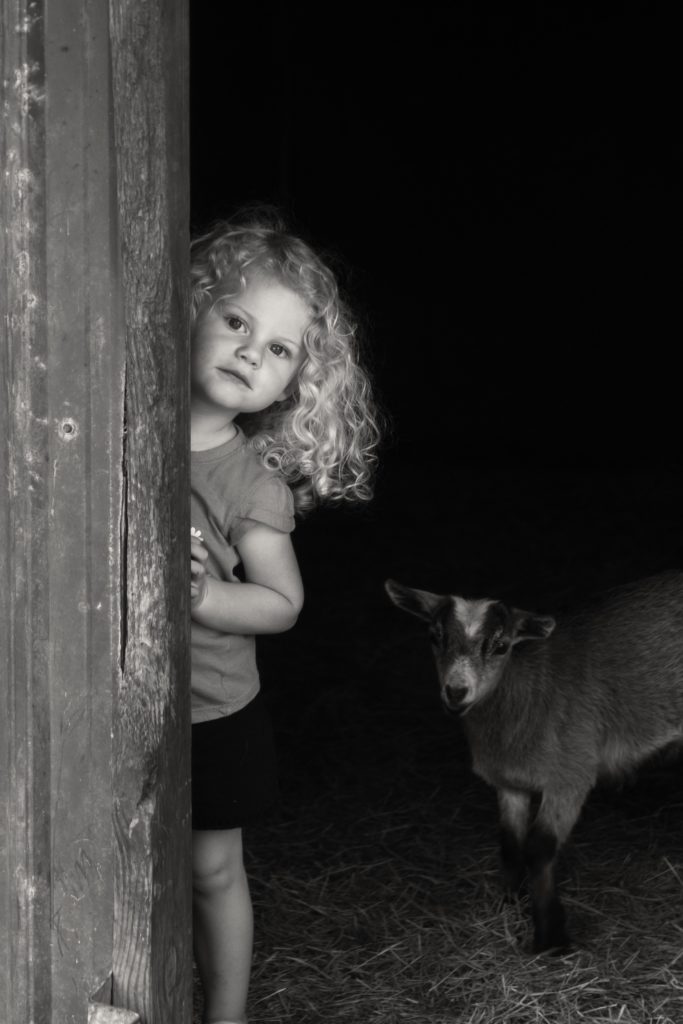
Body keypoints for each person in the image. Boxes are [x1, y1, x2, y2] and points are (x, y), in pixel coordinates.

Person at [189, 211, 380, 1024]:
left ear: (297, 382)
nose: (247, 353)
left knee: (210, 870)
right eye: (236, 322)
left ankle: (225, 1017)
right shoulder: (102, 430)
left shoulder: (252, 485)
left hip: (210, 711)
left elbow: (282, 604)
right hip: (99, 698)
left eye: (277, 349)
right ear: (188, 310)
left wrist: (196, 598)